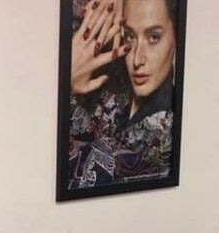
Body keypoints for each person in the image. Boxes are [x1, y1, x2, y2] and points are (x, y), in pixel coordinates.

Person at [66, 0, 180, 191]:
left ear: (177, 36)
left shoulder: (160, 136)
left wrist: (67, 83)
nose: (137, 59)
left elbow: (71, 175)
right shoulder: (115, 89)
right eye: (130, 36)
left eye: (154, 37)